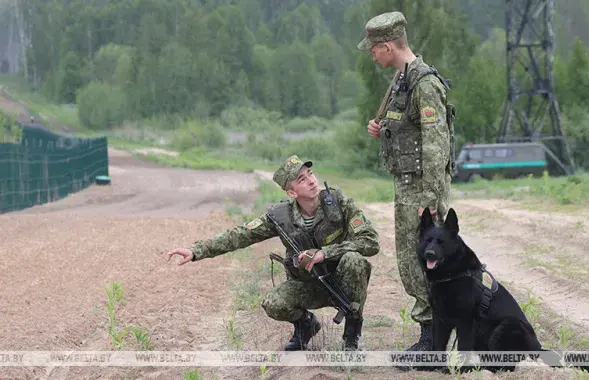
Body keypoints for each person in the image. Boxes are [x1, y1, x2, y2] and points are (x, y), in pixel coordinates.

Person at [167, 155, 380, 351]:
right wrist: (196, 251)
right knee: (274, 303)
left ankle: (352, 334)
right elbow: (239, 235)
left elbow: (370, 241)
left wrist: (324, 253)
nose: (312, 181)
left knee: (355, 261)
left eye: (310, 174)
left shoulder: (338, 202)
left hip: (343, 282)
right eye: (302, 179)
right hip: (309, 285)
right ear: (291, 192)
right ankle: (306, 325)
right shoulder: (280, 217)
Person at [357, 11, 455, 352]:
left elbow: (435, 143)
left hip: (421, 189)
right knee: (411, 262)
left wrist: (429, 198)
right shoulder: (402, 80)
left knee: (425, 261)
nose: (370, 54)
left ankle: (434, 342)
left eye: (373, 48)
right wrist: (380, 128)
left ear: (387, 46)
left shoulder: (424, 84)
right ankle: (431, 336)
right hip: (407, 185)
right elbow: (407, 128)